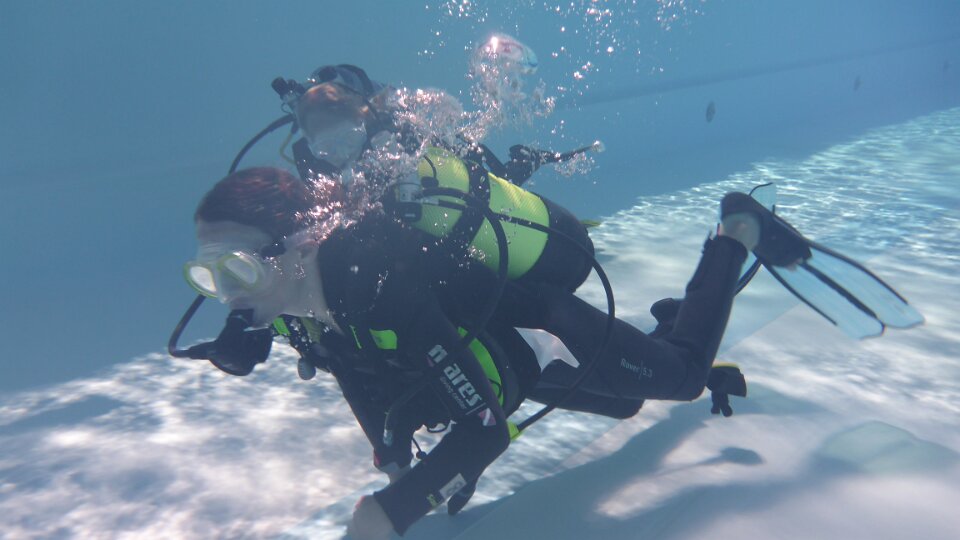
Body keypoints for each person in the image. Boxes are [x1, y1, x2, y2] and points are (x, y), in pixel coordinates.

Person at [175, 66, 921, 538]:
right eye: (210, 277)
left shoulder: (375, 285)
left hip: (540, 315)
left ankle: (736, 231)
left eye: (234, 270)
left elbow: (484, 429)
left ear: (297, 245)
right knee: (624, 406)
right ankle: (660, 324)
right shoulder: (299, 308)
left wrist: (391, 511)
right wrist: (396, 455)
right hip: (504, 351)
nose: (228, 297)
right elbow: (355, 374)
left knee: (680, 376)